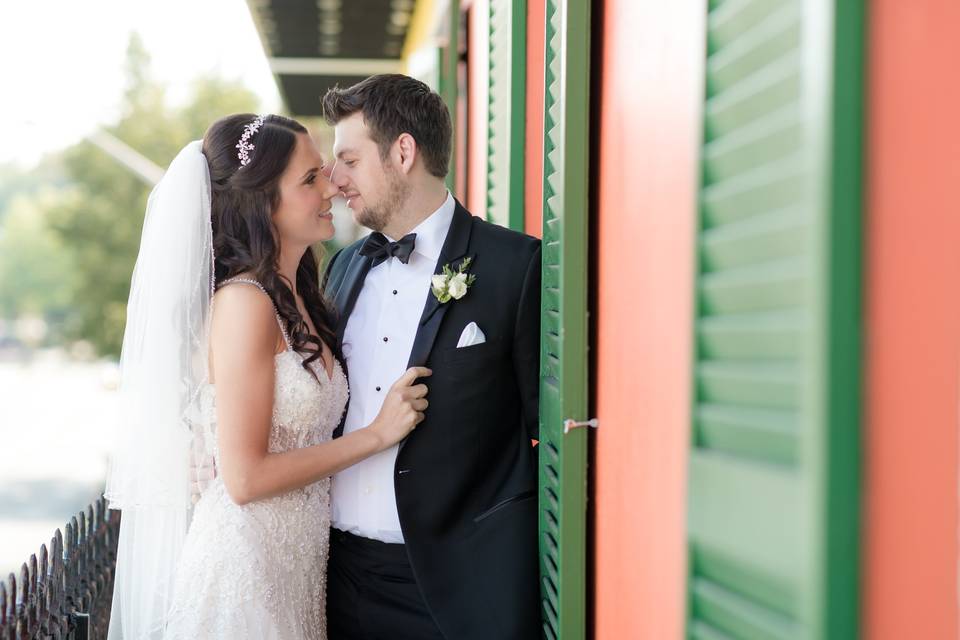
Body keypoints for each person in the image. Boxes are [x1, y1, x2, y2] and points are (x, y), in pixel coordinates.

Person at [105, 113, 430, 640]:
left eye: (323, 170)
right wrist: (376, 436)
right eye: (309, 179)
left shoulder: (304, 296)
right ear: (262, 202)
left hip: (296, 569)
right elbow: (245, 478)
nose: (331, 185)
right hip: (246, 573)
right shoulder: (244, 304)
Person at [321, 74, 542, 640]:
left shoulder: (516, 267)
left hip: (459, 592)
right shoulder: (342, 268)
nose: (333, 180)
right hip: (338, 581)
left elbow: (545, 433)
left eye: (348, 160)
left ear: (402, 152)